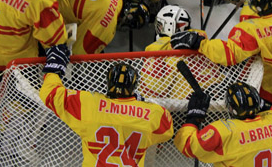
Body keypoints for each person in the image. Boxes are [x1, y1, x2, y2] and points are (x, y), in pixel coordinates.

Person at [39, 51, 174, 166]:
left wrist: (53, 69)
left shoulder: (88, 104)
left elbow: (50, 94)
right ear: (133, 86)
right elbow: (168, 129)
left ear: (108, 82)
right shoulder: (152, 114)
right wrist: (141, 103)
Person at [174, 81, 272, 165]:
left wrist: (193, 117)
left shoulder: (223, 131)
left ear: (231, 108)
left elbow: (189, 147)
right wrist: (263, 105)